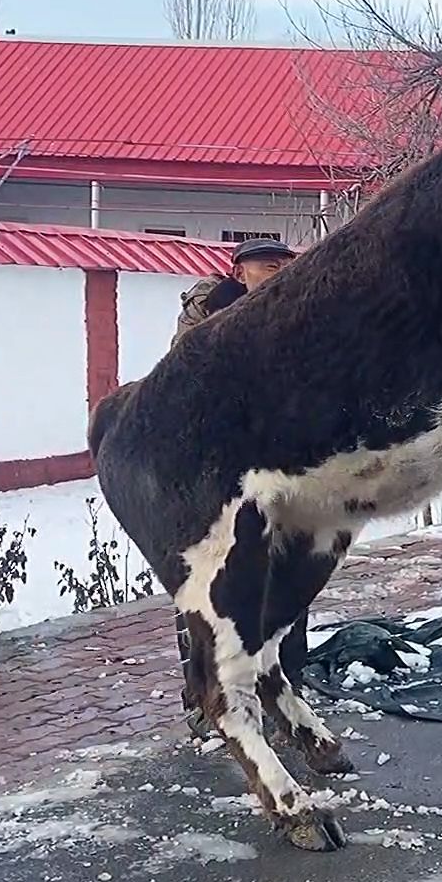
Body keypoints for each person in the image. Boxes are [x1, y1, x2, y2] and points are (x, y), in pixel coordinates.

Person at [170, 237, 300, 737]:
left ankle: (287, 689)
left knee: (286, 579)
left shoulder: (301, 311)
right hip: (214, 471)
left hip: (281, 465)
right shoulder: (207, 316)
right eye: (269, 267)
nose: (279, 273)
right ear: (239, 271)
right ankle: (206, 697)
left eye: (285, 265)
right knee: (209, 587)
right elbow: (192, 381)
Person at [172, 237, 297, 348]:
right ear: (240, 274)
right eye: (272, 267)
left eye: (288, 267)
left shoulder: (296, 303)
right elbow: (182, 357)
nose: (284, 274)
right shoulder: (207, 303)